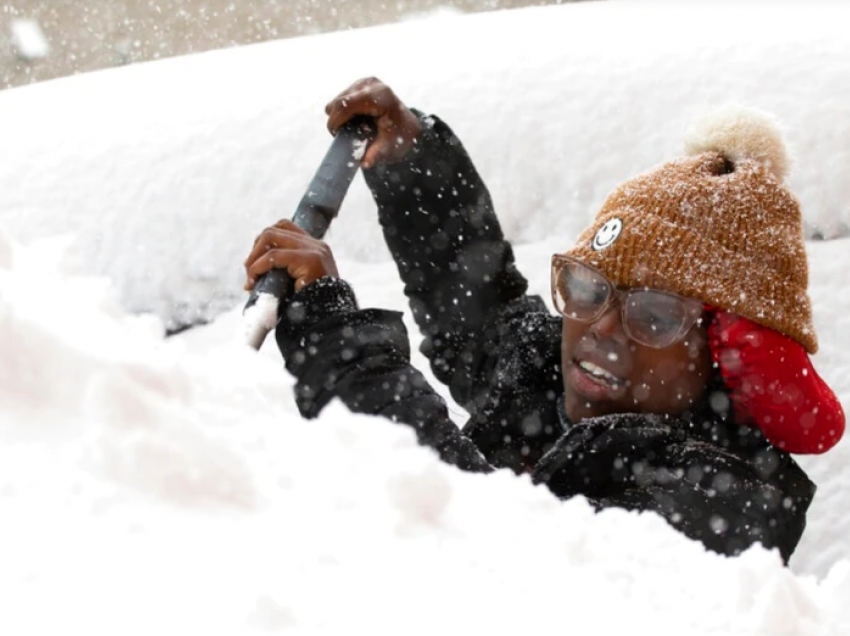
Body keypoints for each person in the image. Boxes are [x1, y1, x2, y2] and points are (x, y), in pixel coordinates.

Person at [243, 78, 845, 563]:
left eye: (654, 315)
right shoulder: (552, 382)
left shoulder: (726, 508)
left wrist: (342, 345)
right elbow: (478, 309)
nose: (600, 329)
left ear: (727, 354)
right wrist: (412, 161)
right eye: (587, 287)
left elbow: (495, 559)